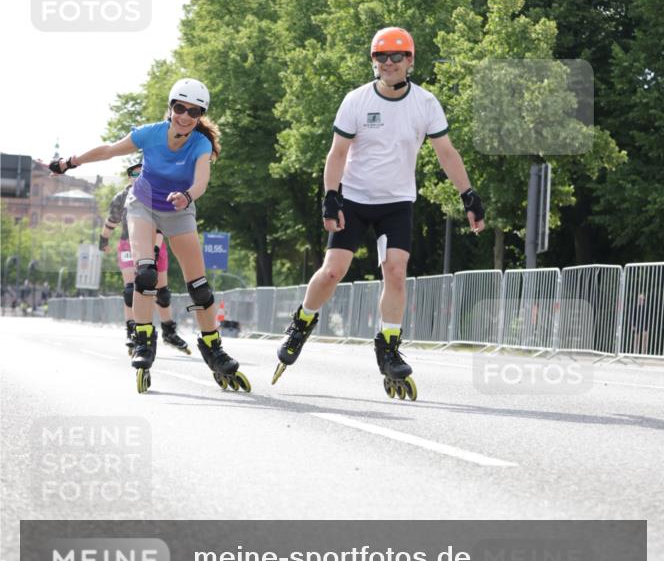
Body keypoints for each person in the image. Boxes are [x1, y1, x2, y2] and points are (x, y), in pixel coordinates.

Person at [272, 27, 485, 400]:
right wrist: (330, 197)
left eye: (396, 56)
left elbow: (446, 152)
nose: (388, 63)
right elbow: (337, 153)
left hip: (397, 202)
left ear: (410, 60)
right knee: (333, 271)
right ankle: (302, 321)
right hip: (353, 199)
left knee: (396, 272)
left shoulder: (425, 103)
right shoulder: (355, 100)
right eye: (381, 57)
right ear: (373, 61)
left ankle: (387, 346)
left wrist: (468, 195)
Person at [46, 78, 251, 395]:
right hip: (142, 204)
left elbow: (201, 181)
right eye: (179, 108)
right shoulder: (150, 134)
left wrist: (187, 196)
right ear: (170, 107)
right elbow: (110, 150)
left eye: (193, 111)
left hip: (179, 208)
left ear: (199, 116)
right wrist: (70, 162)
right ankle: (143, 339)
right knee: (145, 274)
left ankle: (213, 347)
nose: (184, 116)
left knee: (198, 286)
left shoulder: (200, 144)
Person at [98, 162, 190, 356]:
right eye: (134, 173)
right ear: (129, 177)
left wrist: (155, 248)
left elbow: (160, 226)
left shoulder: (155, 194)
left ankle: (168, 331)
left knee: (162, 292)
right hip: (128, 244)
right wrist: (103, 238)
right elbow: (112, 221)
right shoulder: (121, 197)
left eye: (142, 173)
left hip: (156, 241)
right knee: (131, 289)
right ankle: (133, 330)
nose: (138, 176)